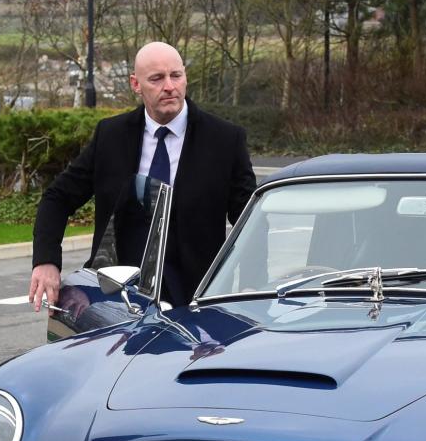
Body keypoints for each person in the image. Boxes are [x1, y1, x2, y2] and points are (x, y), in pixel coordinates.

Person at [29, 41, 257, 309]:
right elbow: (58, 197)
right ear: (136, 84)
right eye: (157, 79)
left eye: (176, 75)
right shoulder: (110, 137)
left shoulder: (224, 140)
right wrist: (46, 261)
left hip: (197, 303)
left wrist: (254, 285)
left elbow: (250, 222)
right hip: (119, 301)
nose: (169, 86)